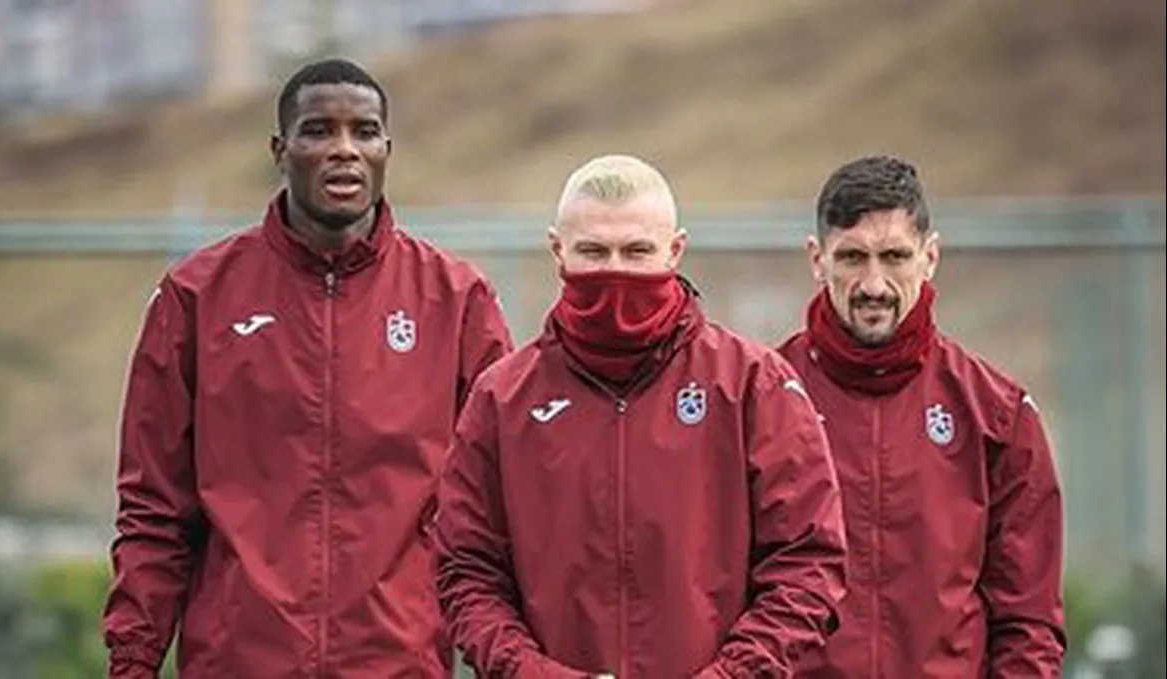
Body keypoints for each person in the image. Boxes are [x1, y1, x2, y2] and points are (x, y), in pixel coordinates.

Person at [102, 58, 513, 678]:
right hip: (236, 664)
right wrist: (133, 663)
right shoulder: (196, 297)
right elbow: (153, 511)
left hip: (399, 665)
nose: (344, 149)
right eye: (319, 130)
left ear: (386, 149)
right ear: (281, 150)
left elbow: (499, 513)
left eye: (364, 132)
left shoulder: (457, 301)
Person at [434, 154, 847, 678]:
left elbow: (808, 561)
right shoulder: (503, 398)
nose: (616, 272)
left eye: (637, 251)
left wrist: (732, 674)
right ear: (558, 251)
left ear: (675, 250)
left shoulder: (752, 385)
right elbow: (466, 570)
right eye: (593, 252)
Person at [778, 155, 1066, 677]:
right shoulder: (765, 401)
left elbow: (1029, 620)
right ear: (817, 260)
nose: (874, 284)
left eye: (894, 256)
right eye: (852, 258)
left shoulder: (997, 413)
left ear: (930, 257)